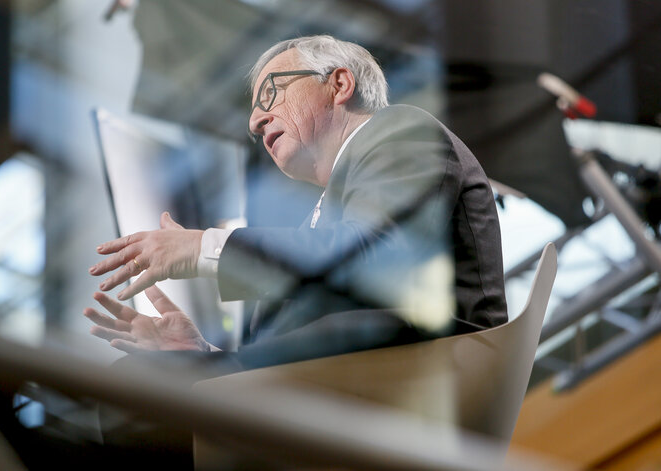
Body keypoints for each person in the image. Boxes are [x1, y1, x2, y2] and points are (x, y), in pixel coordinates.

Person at [84, 34, 507, 369]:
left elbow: (373, 260)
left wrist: (203, 249)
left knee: (142, 387)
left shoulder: (401, 130)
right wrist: (204, 353)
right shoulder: (319, 220)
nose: (255, 121)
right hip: (359, 379)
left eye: (271, 94)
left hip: (425, 375)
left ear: (339, 84)